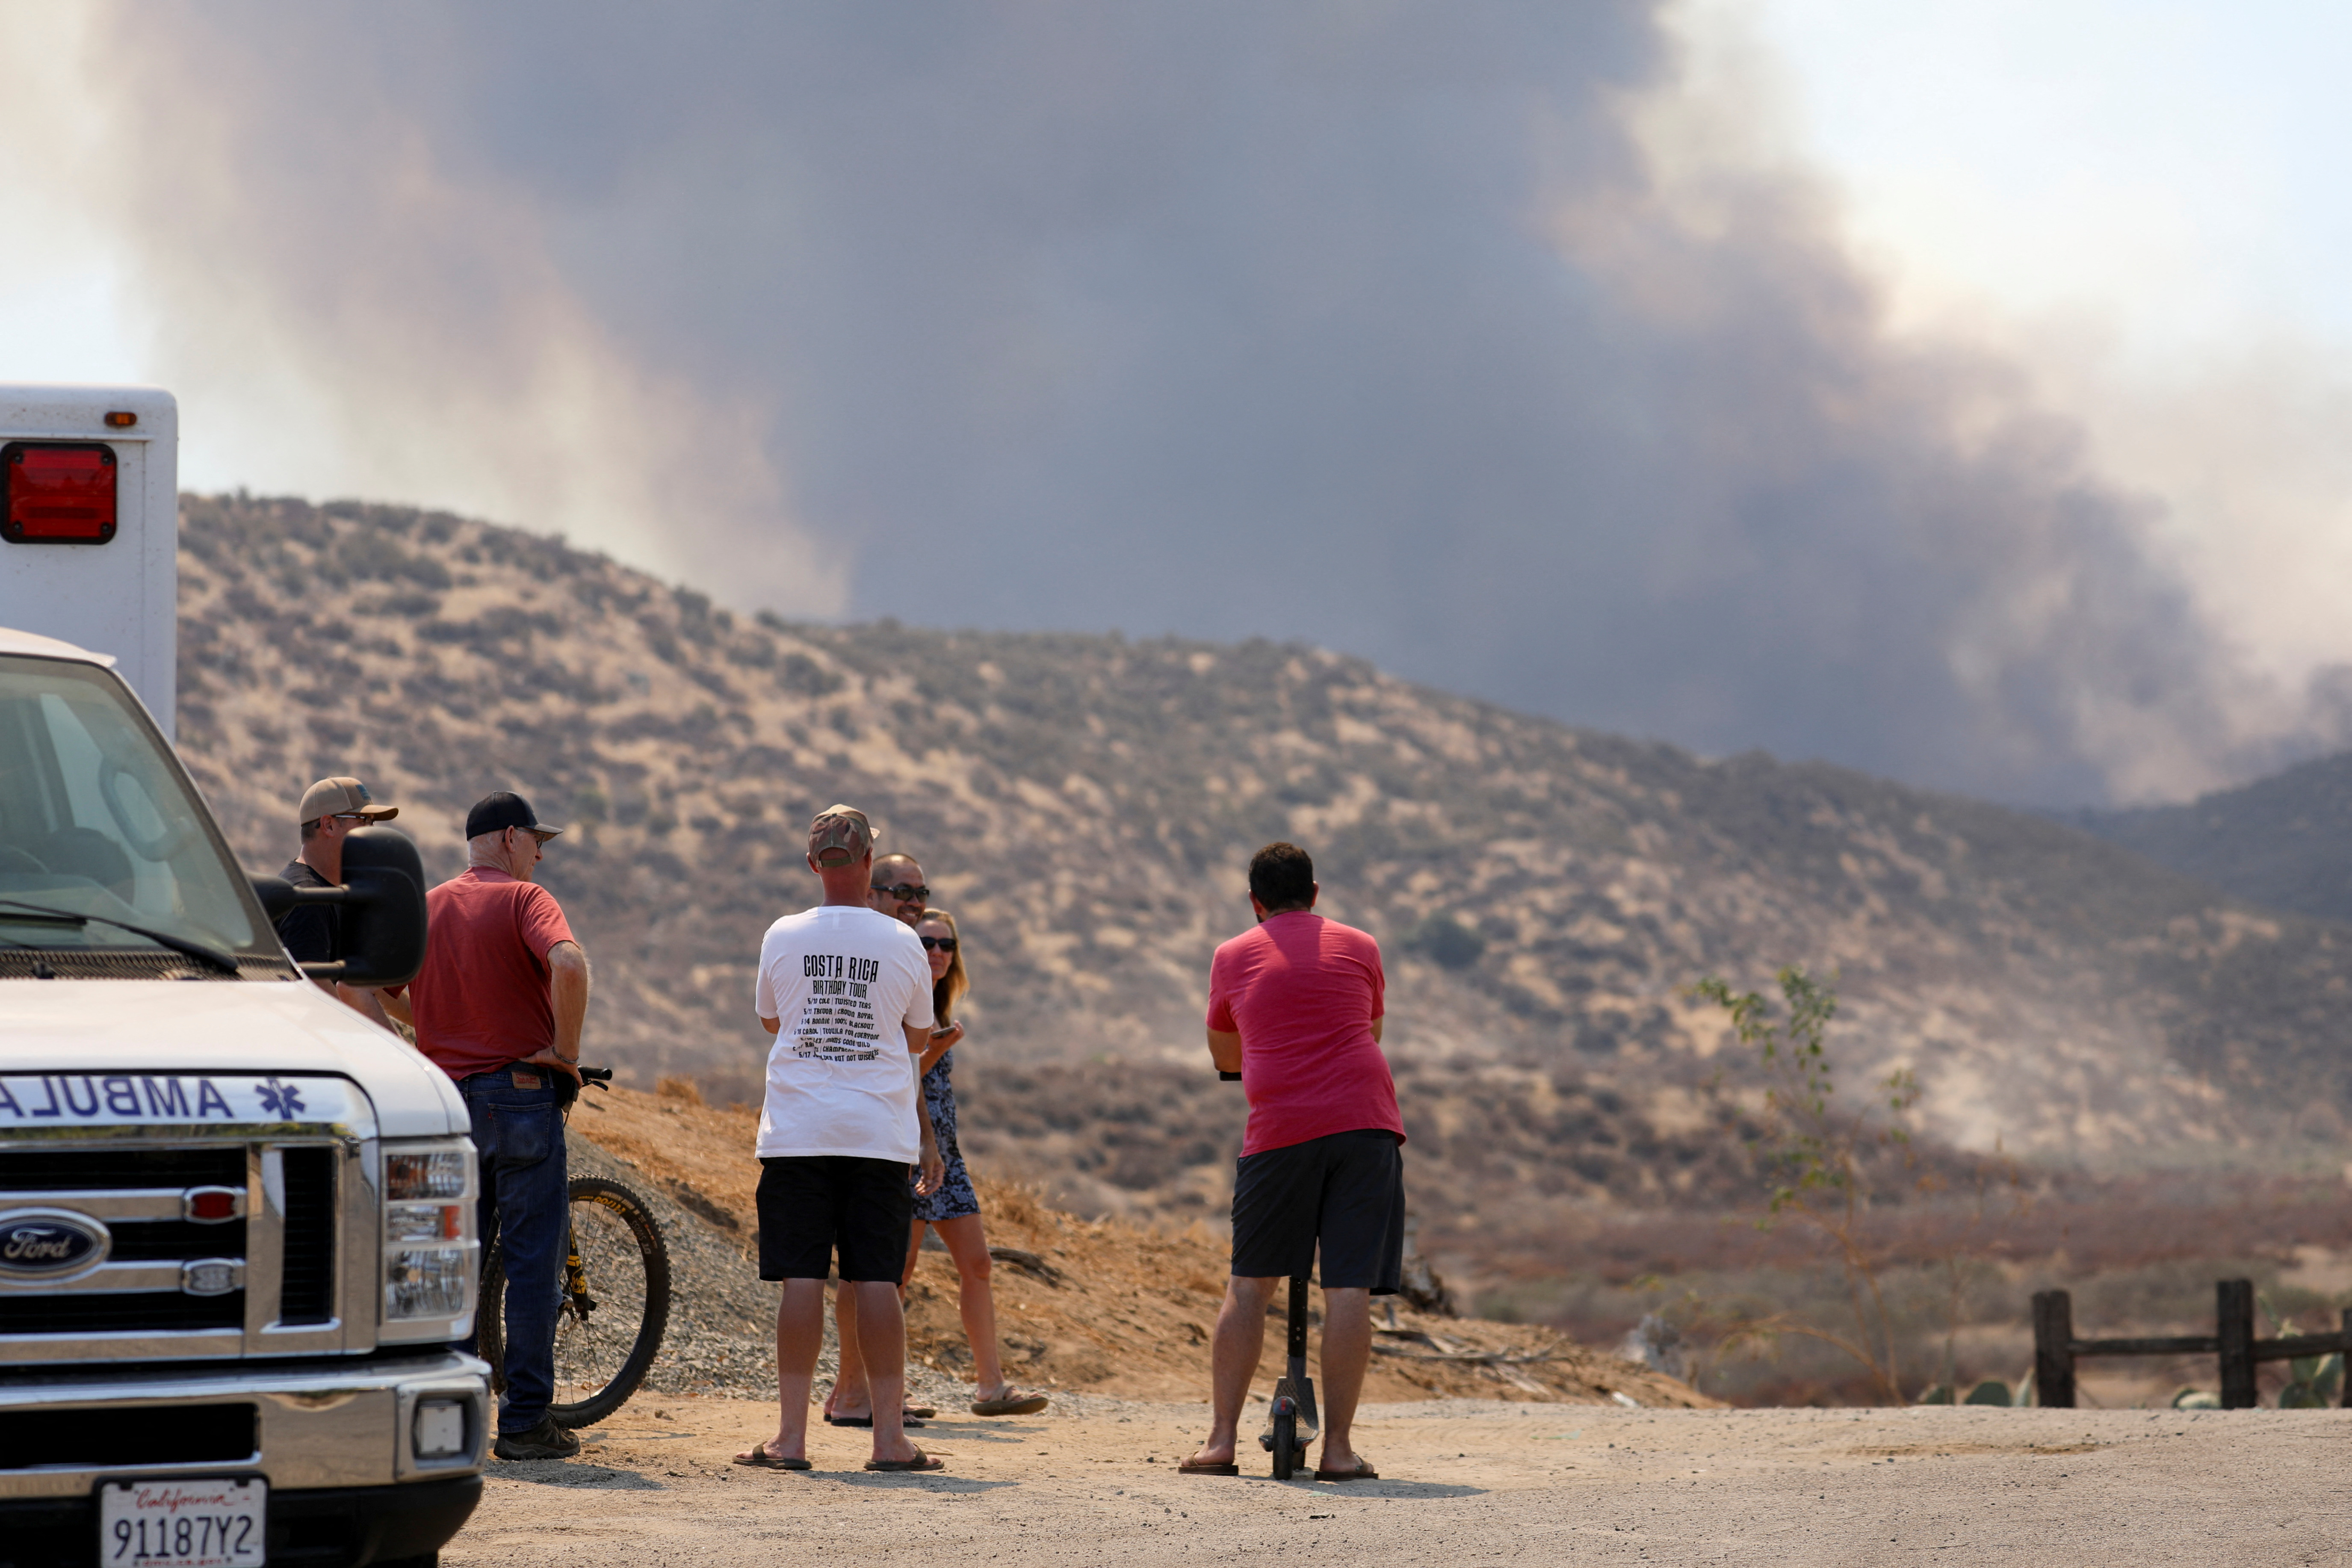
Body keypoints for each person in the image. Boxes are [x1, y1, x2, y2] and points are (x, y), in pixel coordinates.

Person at [1183, 841, 1405, 1483]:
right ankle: (1338, 1449)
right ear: (1315, 893)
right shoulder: (1361, 944)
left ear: (1255, 902)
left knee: (1250, 1282)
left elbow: (1226, 1050)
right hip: (1365, 1121)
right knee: (1348, 1286)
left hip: (1281, 1129)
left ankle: (1220, 1441)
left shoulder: (1232, 954)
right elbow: (1373, 1030)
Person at [735, 805, 947, 1474]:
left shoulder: (781, 933)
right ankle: (890, 1439)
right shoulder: (903, 942)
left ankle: (791, 1439)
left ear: (812, 864)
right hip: (877, 1133)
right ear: (867, 863)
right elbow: (918, 1035)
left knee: (801, 1280)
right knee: (877, 1280)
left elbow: (772, 1019)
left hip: (798, 1131)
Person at [384, 790, 591, 1463]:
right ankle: (526, 1421)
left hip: (442, 1102)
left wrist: (445, 1028)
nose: (539, 852)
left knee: (446, 1263)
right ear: (509, 837)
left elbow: (389, 990)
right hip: (522, 1097)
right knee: (533, 1265)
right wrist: (565, 1052)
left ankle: (449, 1419)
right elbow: (568, 962)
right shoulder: (527, 900)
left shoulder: (428, 904)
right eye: (537, 840)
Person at [898, 907, 1049, 1417]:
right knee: (898, 1273)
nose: (938, 952)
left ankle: (991, 1386)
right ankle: (883, 1389)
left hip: (944, 1152)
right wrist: (938, 1051)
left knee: (978, 1264)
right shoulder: (900, 999)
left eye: (947, 945)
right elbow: (899, 1077)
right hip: (908, 1149)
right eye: (927, 943)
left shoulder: (939, 1008)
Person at [275, 776, 399, 1024]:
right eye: (363, 821)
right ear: (329, 826)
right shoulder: (308, 898)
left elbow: (370, 989)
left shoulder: (336, 892)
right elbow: (321, 1002)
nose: (370, 832)